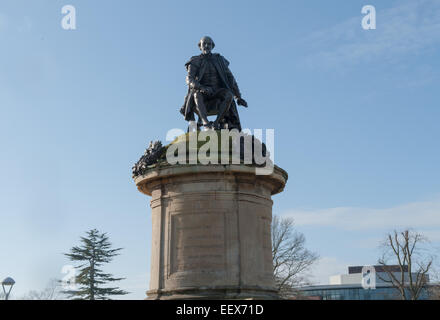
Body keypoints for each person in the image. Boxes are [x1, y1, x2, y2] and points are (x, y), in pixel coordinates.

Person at [180, 36, 248, 131]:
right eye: (204, 44)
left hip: (217, 91)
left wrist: (238, 97)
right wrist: (201, 87)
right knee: (196, 95)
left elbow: (230, 78)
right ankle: (206, 123)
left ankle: (217, 122)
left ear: (212, 46)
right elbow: (189, 79)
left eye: (209, 44)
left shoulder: (220, 60)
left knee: (228, 95)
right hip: (202, 91)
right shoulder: (195, 61)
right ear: (200, 46)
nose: (207, 46)